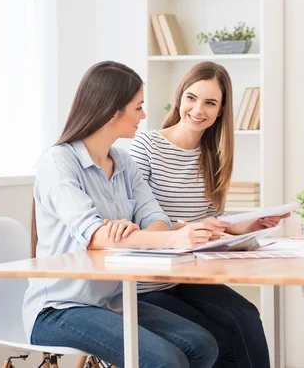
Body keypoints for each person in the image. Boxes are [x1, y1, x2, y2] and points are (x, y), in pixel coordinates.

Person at [24, 61, 224, 368]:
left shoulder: (123, 162)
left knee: (202, 345)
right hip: (60, 308)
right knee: (166, 361)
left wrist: (127, 232)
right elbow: (94, 236)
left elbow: (157, 221)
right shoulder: (58, 162)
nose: (144, 116)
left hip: (112, 302)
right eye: (138, 107)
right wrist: (119, 234)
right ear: (112, 110)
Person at [128, 61, 288, 368]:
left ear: (221, 111)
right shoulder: (146, 146)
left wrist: (249, 226)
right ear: (180, 98)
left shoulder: (212, 157)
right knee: (215, 341)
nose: (198, 109)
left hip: (187, 276)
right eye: (192, 97)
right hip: (145, 283)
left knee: (246, 315)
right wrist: (188, 229)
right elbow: (135, 220)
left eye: (210, 102)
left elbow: (214, 222)